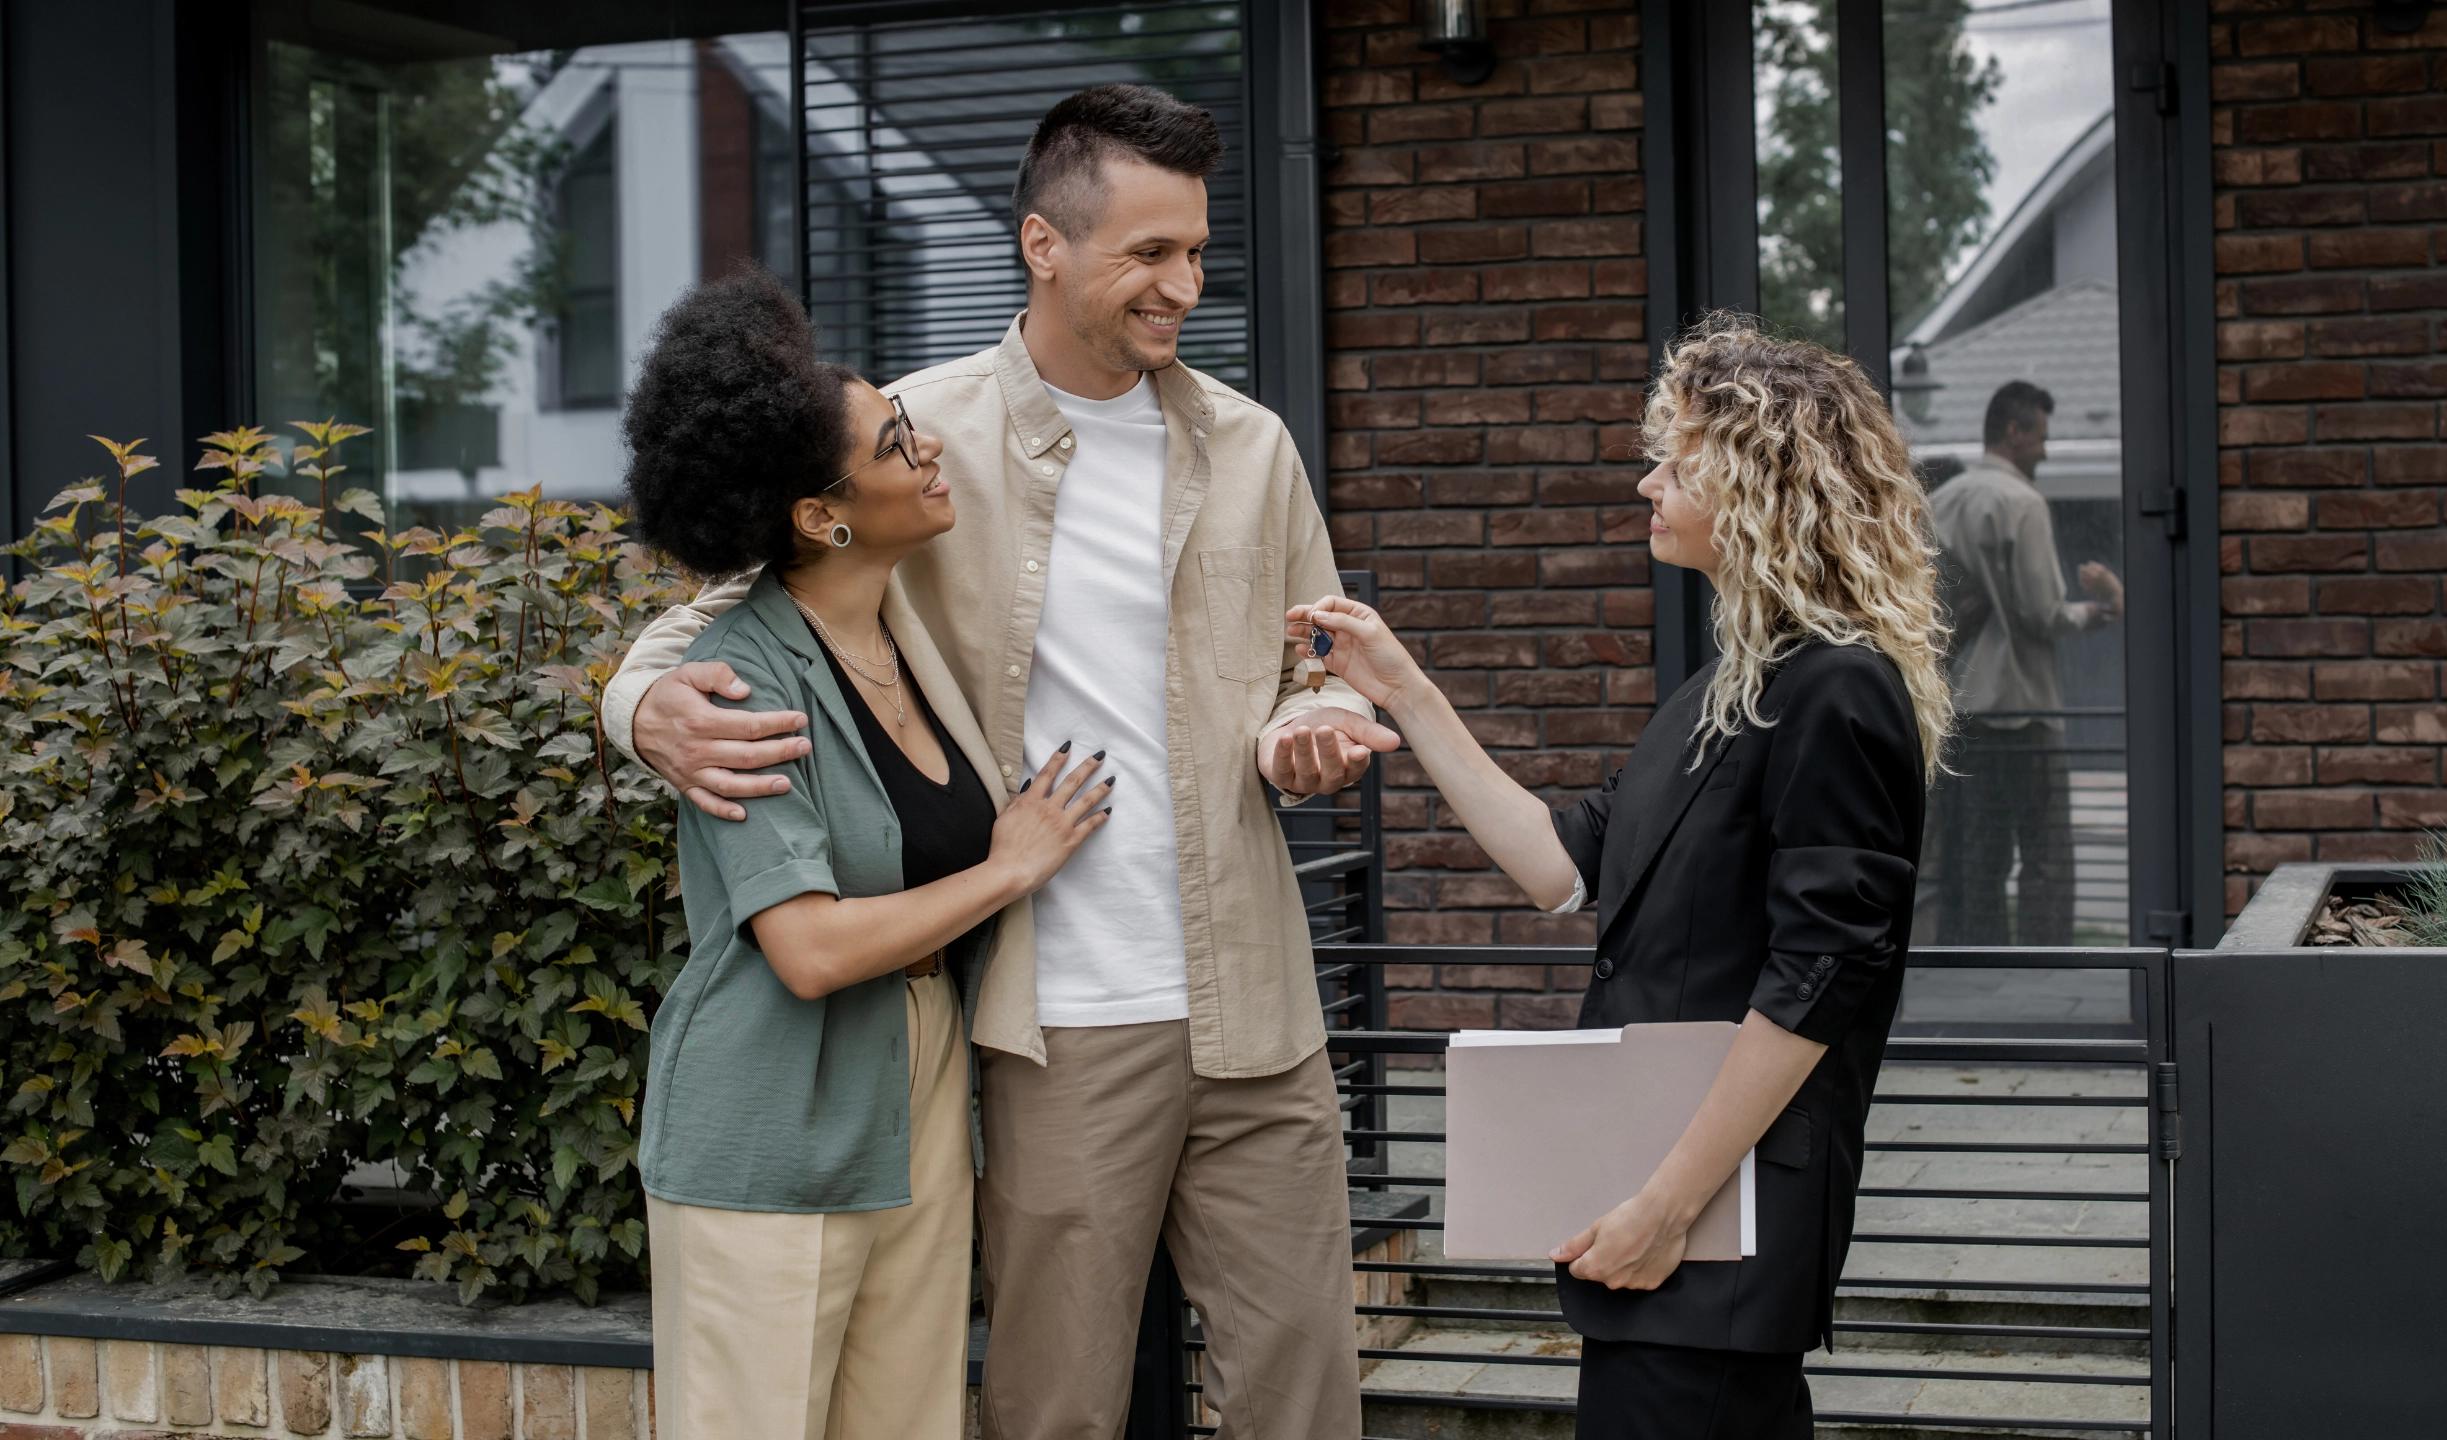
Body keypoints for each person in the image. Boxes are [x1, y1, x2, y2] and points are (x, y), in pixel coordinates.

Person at [603, 86, 1390, 1439]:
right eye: (1149, 254)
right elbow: (718, 610)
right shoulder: (918, 435)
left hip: (1259, 1006)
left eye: (1197, 253)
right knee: (1054, 1408)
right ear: (1043, 246)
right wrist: (633, 709)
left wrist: (1303, 731)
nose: (1183, 286)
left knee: (1302, 1397)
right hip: (1061, 1018)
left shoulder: (1253, 448)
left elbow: (1305, 666)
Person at [1287, 315, 1952, 1437]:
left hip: (1717, 1226)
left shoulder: (1837, 689)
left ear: (1752, 487)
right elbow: (1561, 865)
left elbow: (1819, 980)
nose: (1647, 482)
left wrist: (1665, 1205)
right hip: (1663, 1218)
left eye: (1674, 463)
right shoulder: (1722, 691)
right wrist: (1401, 688)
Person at [621, 268, 1110, 1439]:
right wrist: (1011, 865)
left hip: (915, 1100)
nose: (930, 445)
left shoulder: (910, 632)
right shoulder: (743, 683)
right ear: (819, 515)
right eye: (897, 441)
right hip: (771, 1122)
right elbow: (807, 946)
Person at [1918, 379, 2122, 946]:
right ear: (2015, 431)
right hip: (2024, 705)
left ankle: (1979, 961)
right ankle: (2045, 964)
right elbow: (2041, 613)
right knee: (2046, 851)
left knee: (1978, 852)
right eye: (2041, 437)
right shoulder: (2021, 503)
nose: (2046, 451)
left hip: (1962, 704)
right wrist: (2097, 610)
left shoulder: (1942, 501)